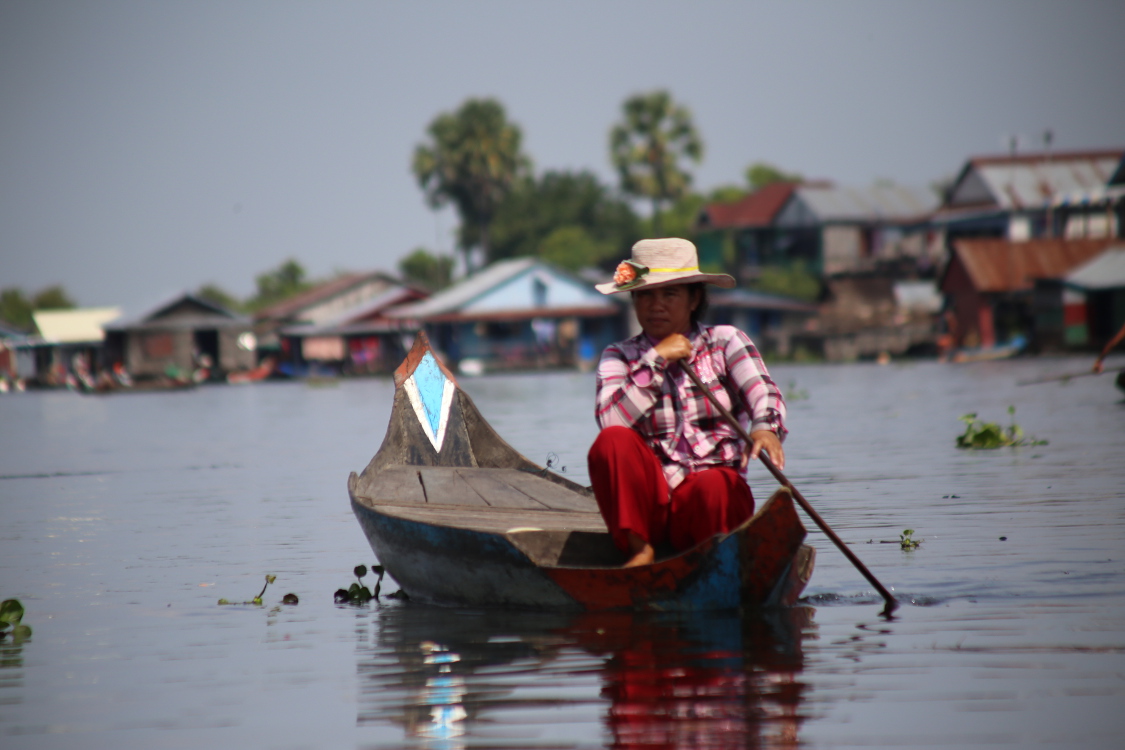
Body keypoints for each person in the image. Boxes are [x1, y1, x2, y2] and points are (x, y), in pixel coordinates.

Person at [588, 238, 787, 568]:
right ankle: (641, 552)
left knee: (716, 483)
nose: (656, 306)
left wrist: (765, 428)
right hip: (649, 511)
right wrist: (655, 360)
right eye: (645, 295)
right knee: (612, 441)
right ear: (634, 300)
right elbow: (610, 421)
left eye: (670, 294)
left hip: (708, 505)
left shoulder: (725, 342)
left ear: (694, 299)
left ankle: (715, 562)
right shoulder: (619, 356)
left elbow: (763, 391)